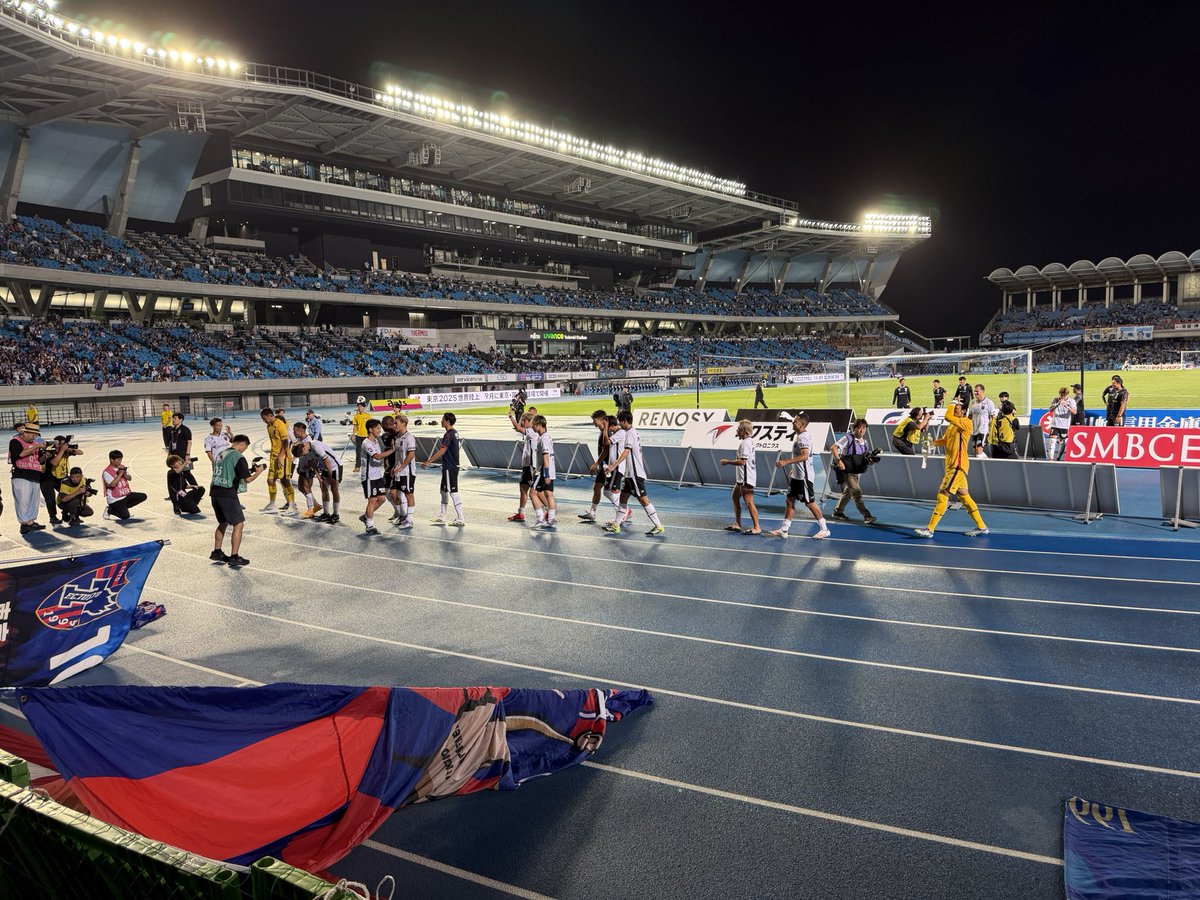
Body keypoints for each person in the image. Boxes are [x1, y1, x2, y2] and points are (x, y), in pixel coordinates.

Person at [915, 398, 989, 538]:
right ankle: (982, 526)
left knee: (943, 494)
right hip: (953, 466)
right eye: (954, 409)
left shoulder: (966, 423)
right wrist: (932, 443)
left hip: (957, 465)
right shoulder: (952, 425)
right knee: (964, 497)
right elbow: (945, 440)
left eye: (957, 409)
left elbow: (947, 416)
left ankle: (930, 529)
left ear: (963, 412)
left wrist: (952, 402)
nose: (954, 411)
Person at [603, 410, 664, 536]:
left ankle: (658, 526)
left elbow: (626, 452)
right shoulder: (633, 432)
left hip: (634, 474)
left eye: (620, 421)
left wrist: (613, 466)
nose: (620, 424)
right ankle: (616, 525)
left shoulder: (630, 433)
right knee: (623, 499)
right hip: (630, 474)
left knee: (644, 500)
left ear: (624, 421)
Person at [769, 413, 828, 539]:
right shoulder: (799, 436)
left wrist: (785, 462)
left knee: (809, 502)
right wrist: (793, 470)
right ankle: (784, 529)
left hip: (804, 477)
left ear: (801, 424)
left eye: (795, 421)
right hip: (797, 476)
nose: (793, 422)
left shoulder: (803, 437)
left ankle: (824, 528)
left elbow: (804, 456)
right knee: (789, 500)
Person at [210, 434, 266, 566]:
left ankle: (217, 552)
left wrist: (250, 470)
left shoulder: (221, 454)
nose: (244, 450)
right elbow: (247, 479)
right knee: (238, 524)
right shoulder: (238, 456)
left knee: (223, 522)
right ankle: (234, 556)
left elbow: (231, 470)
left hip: (215, 491)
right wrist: (259, 472)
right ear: (242, 444)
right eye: (244, 447)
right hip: (227, 493)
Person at [422, 412, 465, 527]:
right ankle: (442, 516)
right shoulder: (454, 433)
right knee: (443, 491)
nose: (441, 421)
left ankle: (461, 518)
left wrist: (428, 461)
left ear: (448, 421)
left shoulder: (448, 435)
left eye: (442, 419)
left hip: (449, 467)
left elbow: (442, 450)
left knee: (453, 492)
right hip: (451, 466)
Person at [831, 419, 876, 524]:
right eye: (859, 428)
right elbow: (833, 448)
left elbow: (865, 458)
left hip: (857, 472)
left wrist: (871, 460)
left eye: (864, 428)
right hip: (848, 471)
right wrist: (839, 461)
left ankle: (838, 512)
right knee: (857, 492)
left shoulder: (865, 443)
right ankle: (866, 515)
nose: (861, 430)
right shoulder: (847, 438)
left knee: (848, 493)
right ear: (855, 428)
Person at [720, 419, 760, 534]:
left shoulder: (745, 443)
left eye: (739, 429)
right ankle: (737, 524)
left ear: (744, 431)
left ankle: (757, 527)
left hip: (746, 478)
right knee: (735, 497)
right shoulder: (748, 442)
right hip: (741, 478)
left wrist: (727, 462)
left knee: (749, 503)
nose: (737, 430)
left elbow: (743, 462)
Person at [9, 422, 45, 534]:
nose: (34, 437)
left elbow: (39, 460)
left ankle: (31, 522)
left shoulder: (34, 444)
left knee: (34, 500)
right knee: (23, 500)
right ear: (25, 432)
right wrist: (37, 446)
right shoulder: (15, 441)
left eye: (35, 435)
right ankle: (24, 524)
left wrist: (45, 456)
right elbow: (20, 454)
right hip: (21, 475)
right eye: (32, 435)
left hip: (34, 474)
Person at [359, 418, 393, 534]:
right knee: (372, 500)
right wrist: (392, 450)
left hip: (377, 476)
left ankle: (366, 516)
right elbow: (377, 456)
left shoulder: (376, 441)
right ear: (370, 429)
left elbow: (381, 457)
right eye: (377, 428)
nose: (380, 430)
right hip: (369, 477)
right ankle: (369, 525)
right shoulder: (366, 443)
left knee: (382, 499)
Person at [260, 408, 296, 514]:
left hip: (283, 457)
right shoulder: (269, 425)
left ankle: (292, 506)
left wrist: (280, 457)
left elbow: (286, 442)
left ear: (270, 415)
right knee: (270, 480)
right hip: (273, 457)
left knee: (285, 480)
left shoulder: (280, 424)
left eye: (264, 418)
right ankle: (272, 505)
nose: (264, 421)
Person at [524, 414, 556, 529]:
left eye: (533, 425)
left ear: (538, 425)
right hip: (549, 470)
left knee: (532, 493)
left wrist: (545, 474)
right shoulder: (547, 436)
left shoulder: (543, 439)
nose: (532, 428)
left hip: (543, 471)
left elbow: (545, 457)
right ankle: (551, 520)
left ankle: (540, 518)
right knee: (549, 494)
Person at [580, 409, 612, 522]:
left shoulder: (608, 433)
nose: (594, 423)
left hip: (609, 467)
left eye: (594, 421)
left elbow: (606, 450)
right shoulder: (602, 432)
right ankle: (592, 512)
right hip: (603, 466)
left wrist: (596, 464)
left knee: (609, 493)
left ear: (601, 419)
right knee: (597, 487)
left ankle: (624, 509)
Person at [506, 406, 538, 522]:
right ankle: (520, 513)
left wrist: (511, 417)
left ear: (529, 422)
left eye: (524, 420)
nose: (523, 422)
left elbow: (518, 427)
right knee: (523, 488)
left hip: (530, 465)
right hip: (526, 465)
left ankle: (548, 513)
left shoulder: (532, 431)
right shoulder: (531, 431)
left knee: (536, 492)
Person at [39, 434, 75, 526]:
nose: (64, 446)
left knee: (68, 495)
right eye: (62, 444)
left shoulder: (64, 450)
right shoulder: (50, 450)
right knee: (50, 499)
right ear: (57, 444)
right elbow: (55, 462)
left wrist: (70, 449)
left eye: (65, 444)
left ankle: (66, 513)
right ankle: (53, 517)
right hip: (47, 479)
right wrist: (62, 451)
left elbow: (80, 452)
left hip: (59, 479)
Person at [101, 451, 148, 521]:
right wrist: (120, 474)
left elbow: (130, 478)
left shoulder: (121, 467)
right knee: (125, 516)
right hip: (115, 499)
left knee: (143, 496)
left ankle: (123, 508)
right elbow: (112, 484)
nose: (120, 462)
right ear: (112, 459)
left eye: (121, 459)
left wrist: (124, 474)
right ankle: (109, 510)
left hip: (126, 495)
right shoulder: (106, 472)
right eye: (118, 460)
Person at [390, 413, 417, 529]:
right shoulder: (397, 437)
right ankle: (403, 515)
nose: (394, 425)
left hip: (407, 471)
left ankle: (409, 520)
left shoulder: (409, 437)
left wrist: (401, 466)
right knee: (393, 493)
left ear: (404, 424)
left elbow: (411, 454)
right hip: (398, 470)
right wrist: (394, 466)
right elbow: (398, 454)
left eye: (396, 423)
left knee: (408, 494)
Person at [1047, 387, 1076, 461]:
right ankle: (1051, 458)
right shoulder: (1055, 399)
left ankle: (1058, 457)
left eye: (1064, 395)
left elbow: (1074, 412)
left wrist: (1067, 406)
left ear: (1067, 395)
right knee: (1052, 441)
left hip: (1064, 425)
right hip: (1055, 423)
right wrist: (1057, 404)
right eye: (1061, 395)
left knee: (1062, 442)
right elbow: (1050, 410)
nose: (1062, 397)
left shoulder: (1071, 401)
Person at [967, 384, 996, 457]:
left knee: (979, 450)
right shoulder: (972, 402)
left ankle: (982, 467)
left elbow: (993, 417)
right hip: (974, 429)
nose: (975, 393)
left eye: (977, 391)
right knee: (976, 451)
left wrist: (993, 429)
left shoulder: (989, 402)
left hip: (983, 429)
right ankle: (985, 460)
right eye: (974, 391)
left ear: (982, 391)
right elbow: (970, 415)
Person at [350, 401, 371, 472]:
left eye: (361, 406)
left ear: (364, 407)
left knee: (368, 451)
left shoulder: (368, 416)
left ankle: (369, 465)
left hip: (367, 436)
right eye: (358, 407)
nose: (360, 408)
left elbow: (370, 426)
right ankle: (357, 466)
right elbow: (355, 426)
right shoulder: (356, 416)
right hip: (359, 436)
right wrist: (353, 435)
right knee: (358, 452)